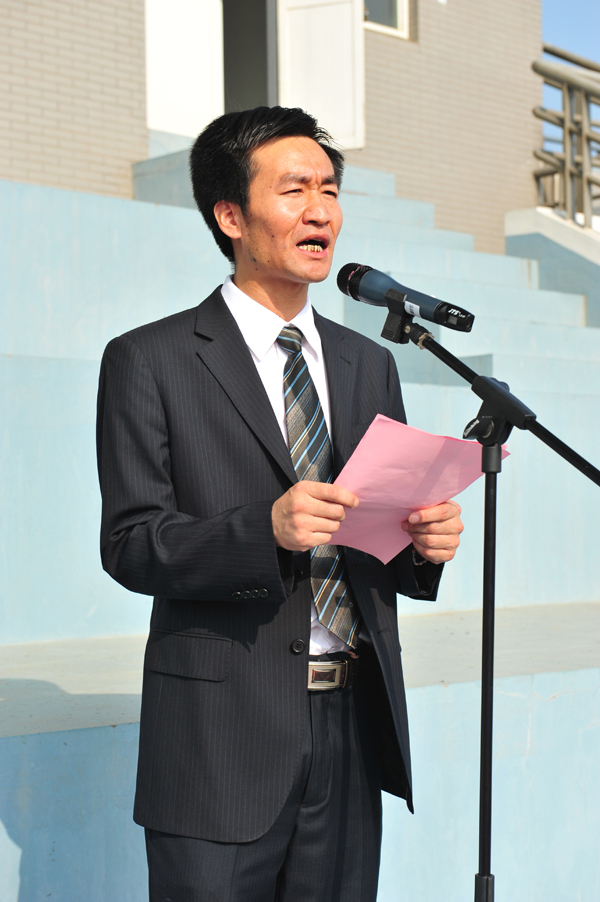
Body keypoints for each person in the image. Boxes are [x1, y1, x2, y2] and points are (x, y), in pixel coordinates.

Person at [96, 106, 463, 902]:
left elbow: (376, 539)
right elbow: (131, 543)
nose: (320, 210)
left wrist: (422, 544)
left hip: (352, 727)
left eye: (329, 189)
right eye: (295, 190)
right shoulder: (149, 359)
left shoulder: (368, 363)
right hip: (218, 741)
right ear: (231, 216)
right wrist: (263, 530)